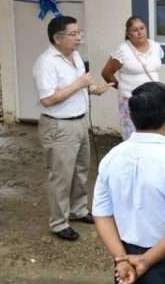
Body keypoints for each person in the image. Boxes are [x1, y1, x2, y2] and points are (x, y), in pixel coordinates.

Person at [92, 82, 165, 284]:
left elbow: (102, 214)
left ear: (131, 116)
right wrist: (144, 261)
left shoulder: (112, 158)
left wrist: (120, 259)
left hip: (125, 261)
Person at [33, 15, 112, 241]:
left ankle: (79, 209)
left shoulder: (75, 56)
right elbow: (47, 99)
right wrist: (79, 84)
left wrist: (94, 89)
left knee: (80, 170)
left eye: (79, 33)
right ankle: (59, 223)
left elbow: (80, 86)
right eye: (73, 34)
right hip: (59, 126)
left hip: (80, 121)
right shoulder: (46, 63)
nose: (79, 38)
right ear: (57, 38)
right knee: (61, 176)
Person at [101, 16, 164, 140]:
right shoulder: (123, 51)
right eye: (135, 30)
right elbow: (106, 73)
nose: (140, 32)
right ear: (128, 33)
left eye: (142, 28)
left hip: (154, 100)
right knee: (133, 137)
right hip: (131, 101)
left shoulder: (156, 47)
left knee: (153, 136)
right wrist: (122, 88)